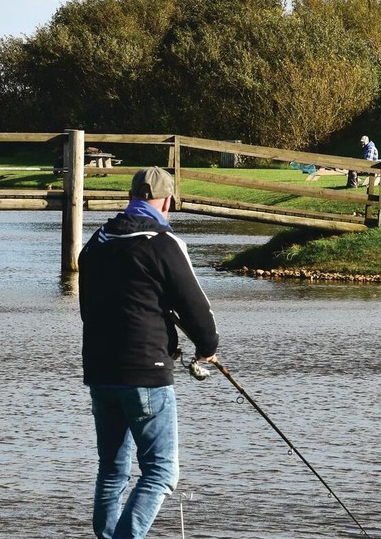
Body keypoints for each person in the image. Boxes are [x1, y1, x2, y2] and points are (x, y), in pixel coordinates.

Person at [78, 167, 220, 539]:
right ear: (167, 201)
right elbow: (197, 309)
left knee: (112, 470)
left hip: (100, 372)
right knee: (160, 472)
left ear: (131, 197)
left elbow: (90, 307)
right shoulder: (163, 243)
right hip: (145, 372)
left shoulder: (95, 243)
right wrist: (207, 349)